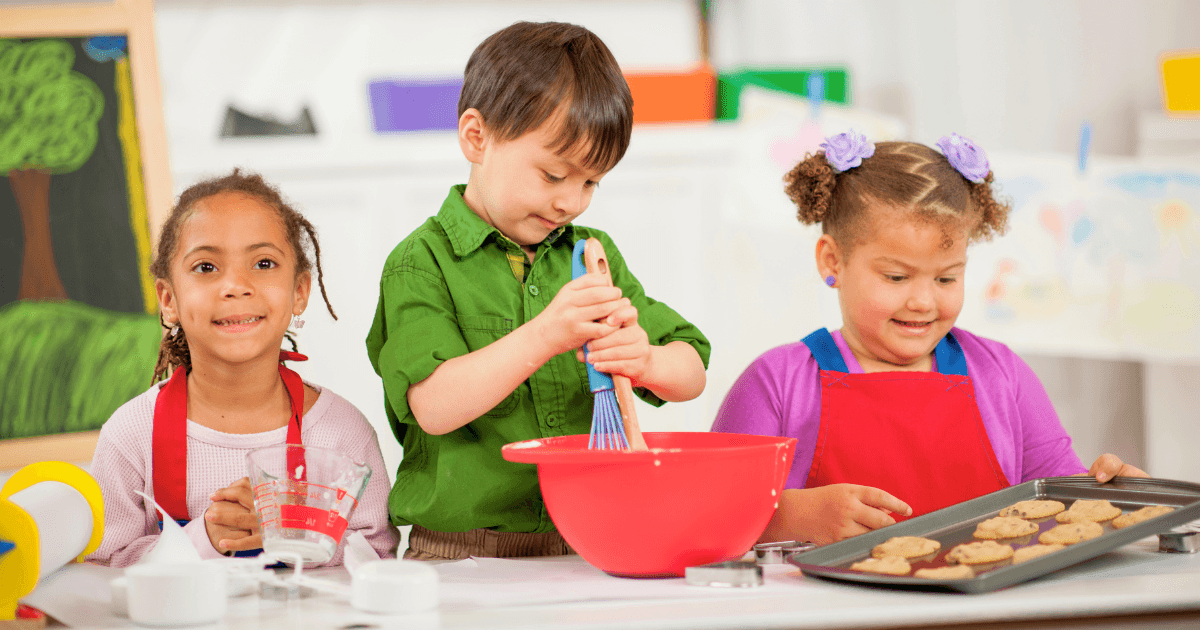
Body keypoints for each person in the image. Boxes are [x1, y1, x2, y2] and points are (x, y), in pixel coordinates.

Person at [366, 21, 710, 560]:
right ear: (477, 138)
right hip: (461, 553)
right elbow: (433, 405)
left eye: (591, 182)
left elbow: (692, 370)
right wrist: (547, 334)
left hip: (590, 540)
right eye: (553, 176)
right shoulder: (421, 264)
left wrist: (645, 359)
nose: (571, 202)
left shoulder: (592, 255)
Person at [711, 131, 1147, 546]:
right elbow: (710, 514)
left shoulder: (1002, 376)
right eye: (896, 276)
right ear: (833, 261)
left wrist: (1117, 497)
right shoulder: (777, 383)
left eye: (946, 277)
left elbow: (1061, 506)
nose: (922, 301)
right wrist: (793, 516)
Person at [89, 170, 398, 567]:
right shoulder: (131, 435)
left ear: (299, 292)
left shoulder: (342, 435)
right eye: (206, 267)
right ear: (168, 300)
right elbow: (101, 568)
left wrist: (294, 534)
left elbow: (378, 556)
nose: (235, 285)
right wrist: (204, 538)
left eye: (264, 263)